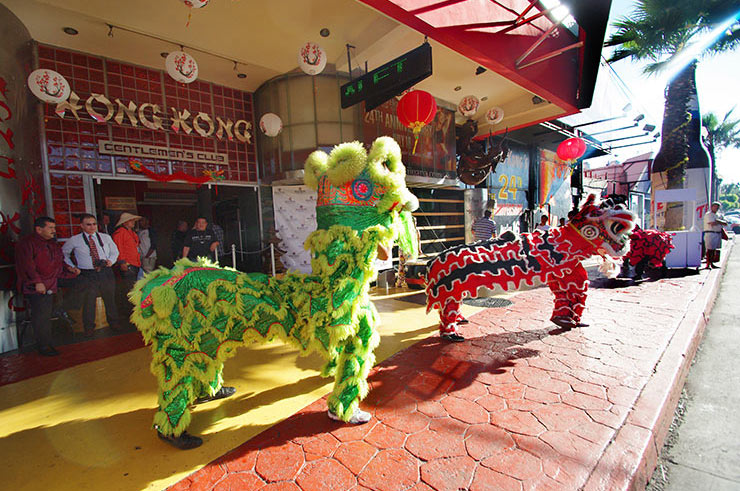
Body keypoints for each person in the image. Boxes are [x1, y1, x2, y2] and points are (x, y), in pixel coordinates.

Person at [15, 217, 78, 356]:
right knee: (42, 316)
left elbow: (59, 261)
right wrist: (36, 282)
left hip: (53, 280)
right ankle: (44, 346)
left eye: (54, 228)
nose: (54, 231)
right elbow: (27, 265)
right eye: (50, 228)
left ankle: (60, 308)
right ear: (39, 229)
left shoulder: (52, 243)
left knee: (85, 282)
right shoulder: (27, 243)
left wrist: (70, 269)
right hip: (36, 285)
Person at [62, 213, 120, 337]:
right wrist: (72, 267)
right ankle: (88, 327)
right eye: (88, 224)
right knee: (89, 301)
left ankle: (114, 322)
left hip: (105, 270)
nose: (92, 227)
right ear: (82, 226)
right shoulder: (75, 240)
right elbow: (64, 254)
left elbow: (115, 251)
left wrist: (111, 261)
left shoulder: (105, 237)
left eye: (94, 224)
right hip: (88, 273)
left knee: (109, 298)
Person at [113, 212, 142, 321]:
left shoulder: (131, 232)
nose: (133, 222)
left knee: (133, 287)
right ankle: (128, 312)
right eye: (131, 220)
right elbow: (118, 248)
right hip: (128, 264)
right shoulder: (120, 233)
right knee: (128, 289)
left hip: (135, 263)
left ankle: (132, 311)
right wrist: (122, 262)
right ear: (125, 222)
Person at [703, 201, 726, 269]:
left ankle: (712, 263)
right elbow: (712, 223)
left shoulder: (718, 215)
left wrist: (717, 221)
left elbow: (725, 223)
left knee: (714, 250)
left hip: (717, 233)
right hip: (710, 233)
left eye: (717, 207)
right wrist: (719, 222)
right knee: (709, 249)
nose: (716, 208)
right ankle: (708, 264)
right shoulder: (709, 214)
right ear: (712, 207)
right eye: (715, 207)